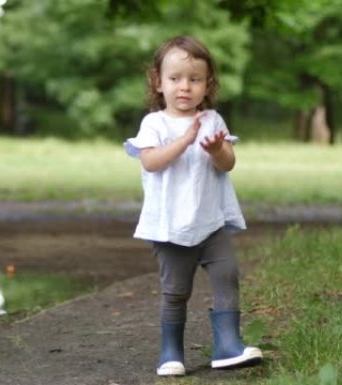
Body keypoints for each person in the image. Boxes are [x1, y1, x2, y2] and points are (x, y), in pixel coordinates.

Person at [124, 35, 262, 377]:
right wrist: (185, 140)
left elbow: (228, 163)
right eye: (175, 78)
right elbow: (151, 162)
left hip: (211, 222)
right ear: (158, 82)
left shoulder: (212, 121)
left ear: (207, 84)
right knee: (176, 291)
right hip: (170, 227)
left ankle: (228, 345)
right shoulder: (154, 124)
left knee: (227, 274)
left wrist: (216, 149)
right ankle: (171, 352)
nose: (184, 87)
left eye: (194, 79)